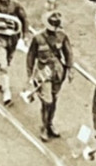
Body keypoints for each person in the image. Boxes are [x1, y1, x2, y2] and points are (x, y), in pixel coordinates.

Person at [26, 12, 73, 141]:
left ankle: (50, 123)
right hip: (43, 74)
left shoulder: (62, 37)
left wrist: (70, 69)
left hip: (57, 73)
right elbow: (30, 56)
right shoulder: (38, 38)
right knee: (48, 101)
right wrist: (30, 76)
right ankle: (44, 127)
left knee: (54, 100)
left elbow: (68, 53)